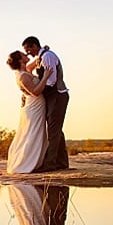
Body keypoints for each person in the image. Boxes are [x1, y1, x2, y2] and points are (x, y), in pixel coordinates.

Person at [22, 36, 69, 172]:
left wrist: (37, 90)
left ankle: (50, 164)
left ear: (34, 46)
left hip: (57, 95)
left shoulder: (48, 57)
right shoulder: (40, 58)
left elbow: (51, 81)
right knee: (56, 130)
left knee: (53, 131)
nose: (27, 53)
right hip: (51, 97)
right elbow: (26, 68)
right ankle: (62, 162)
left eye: (28, 49)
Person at [5, 50, 53, 174]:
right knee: (32, 134)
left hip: (36, 106)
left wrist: (42, 52)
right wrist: (46, 76)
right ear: (20, 60)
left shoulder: (25, 70)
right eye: (24, 55)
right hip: (34, 107)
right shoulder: (22, 76)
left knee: (36, 133)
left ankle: (36, 162)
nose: (26, 55)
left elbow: (35, 63)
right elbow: (35, 92)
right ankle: (25, 164)